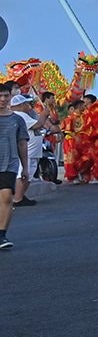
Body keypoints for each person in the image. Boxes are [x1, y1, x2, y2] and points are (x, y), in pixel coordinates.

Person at [0, 82, 28, 247]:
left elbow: (22, 143)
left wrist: (25, 168)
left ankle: (2, 235)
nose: (3, 99)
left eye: (6, 96)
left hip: (8, 164)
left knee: (6, 197)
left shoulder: (17, 119)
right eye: (0, 96)